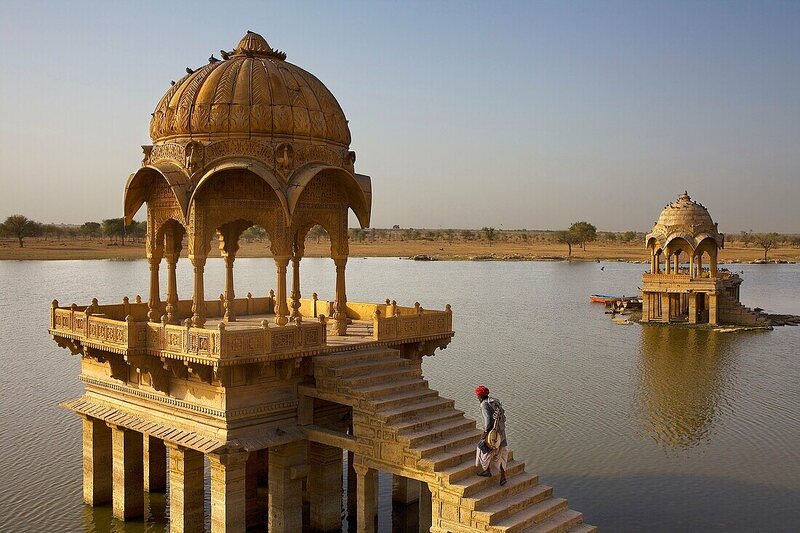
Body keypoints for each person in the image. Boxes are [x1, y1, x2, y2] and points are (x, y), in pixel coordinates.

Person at [474, 385, 508, 485]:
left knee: (482, 448)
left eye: (477, 395)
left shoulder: (484, 404)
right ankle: (503, 476)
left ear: (479, 396)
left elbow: (488, 420)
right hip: (501, 433)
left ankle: (487, 470)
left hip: (492, 434)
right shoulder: (495, 401)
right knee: (500, 454)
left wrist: (485, 433)